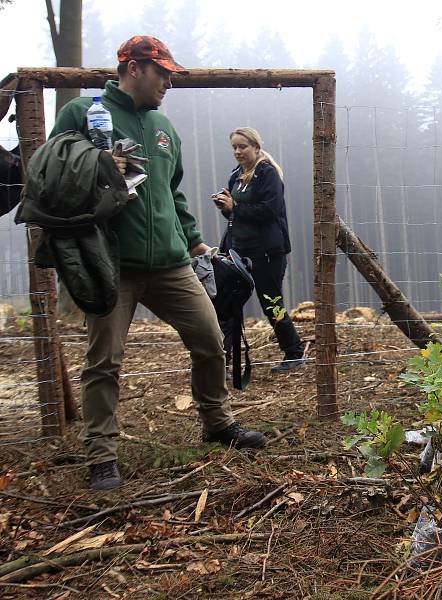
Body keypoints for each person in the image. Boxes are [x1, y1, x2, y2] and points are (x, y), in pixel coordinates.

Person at [50, 36, 266, 491]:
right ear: (133, 68)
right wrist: (95, 165)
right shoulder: (82, 115)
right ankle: (102, 455)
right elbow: (53, 177)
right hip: (112, 265)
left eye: (170, 73)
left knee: (210, 339)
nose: (168, 81)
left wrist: (195, 244)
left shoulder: (164, 127)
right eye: (162, 72)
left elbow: (173, 191)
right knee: (104, 361)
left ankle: (217, 423)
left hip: (171, 264)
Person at [213, 127, 306, 373]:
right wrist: (226, 207)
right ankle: (226, 357)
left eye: (242, 146)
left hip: (267, 252)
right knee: (228, 302)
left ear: (256, 146)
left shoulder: (268, 173)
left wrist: (235, 207)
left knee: (271, 303)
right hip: (237, 251)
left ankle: (294, 352)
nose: (237, 151)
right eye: (234, 147)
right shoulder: (236, 175)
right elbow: (236, 214)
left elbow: (269, 210)